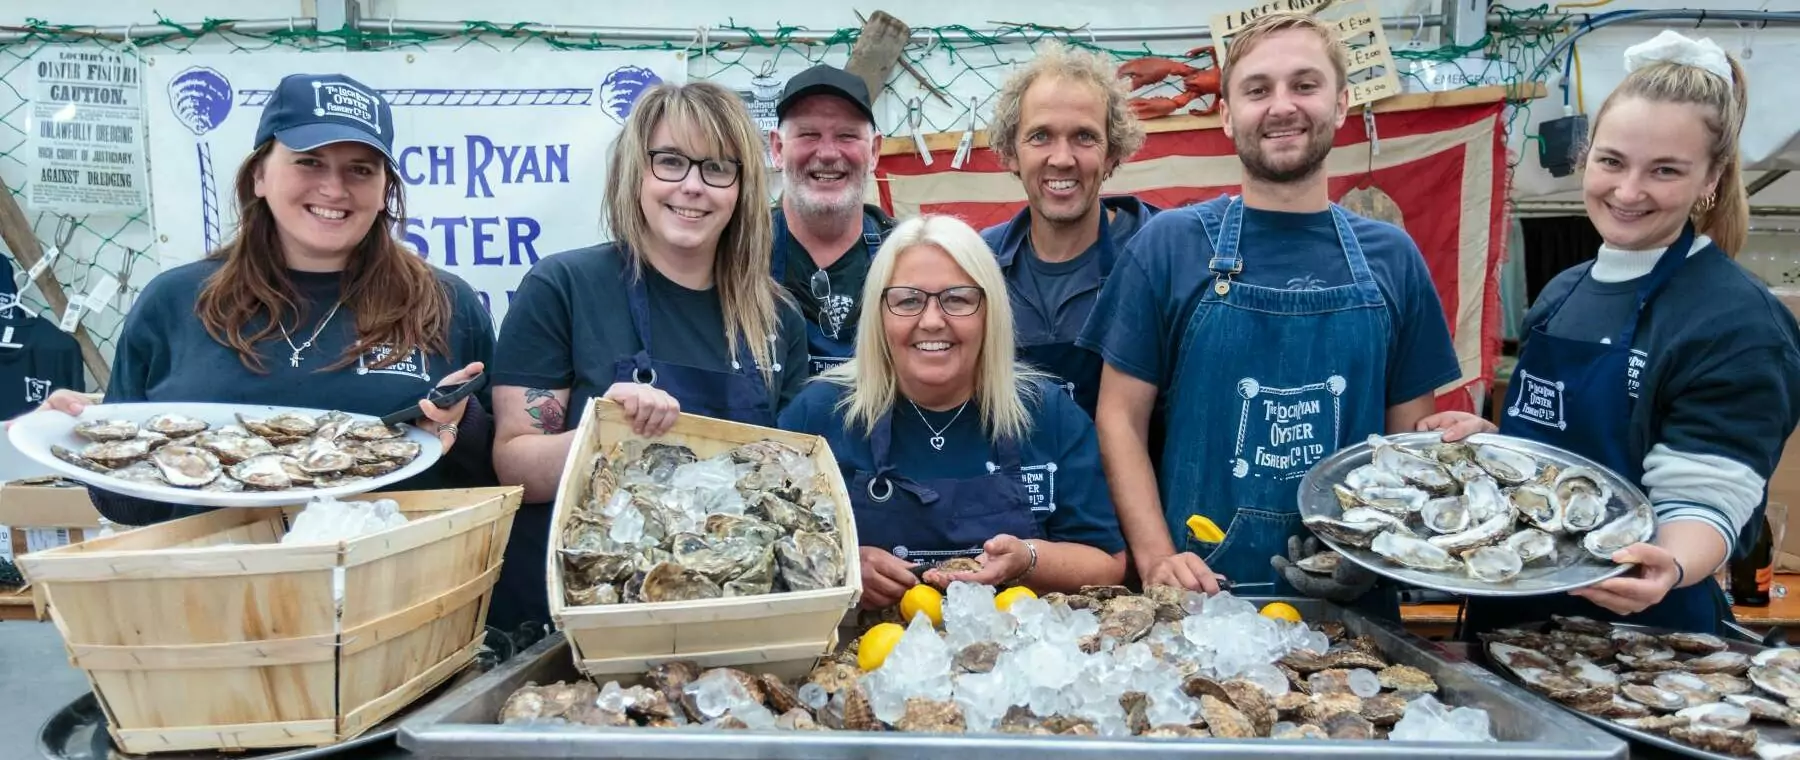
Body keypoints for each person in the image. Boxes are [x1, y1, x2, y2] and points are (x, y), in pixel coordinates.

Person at [1076, 12, 1461, 609]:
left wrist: (1381, 553)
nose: (1282, 106)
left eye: (1305, 85)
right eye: (1258, 90)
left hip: (1354, 607)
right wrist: (1155, 559)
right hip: (1200, 601)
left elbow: (1408, 447)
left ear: (1341, 104)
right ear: (1227, 114)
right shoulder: (1170, 246)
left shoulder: (1395, 258)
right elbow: (1119, 419)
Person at [1421, 30, 1800, 635]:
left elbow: (1708, 494)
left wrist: (1671, 562)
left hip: (1642, 634)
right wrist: (1495, 444)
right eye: (1612, 161)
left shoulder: (1738, 321)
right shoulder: (1563, 292)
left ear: (1712, 177)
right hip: (1507, 618)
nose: (1628, 191)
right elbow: (1560, 461)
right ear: (1586, 155)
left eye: (1665, 170)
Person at [27, 73, 494, 525]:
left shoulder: (445, 303)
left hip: (393, 583)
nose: (334, 188)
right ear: (259, 176)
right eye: (308, 161)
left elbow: (494, 483)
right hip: (215, 589)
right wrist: (79, 438)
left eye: (360, 169)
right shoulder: (173, 302)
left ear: (384, 189)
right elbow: (130, 508)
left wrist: (461, 425)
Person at [490, 81, 808, 634]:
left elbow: (795, 482)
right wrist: (601, 429)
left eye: (717, 168)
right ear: (636, 171)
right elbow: (514, 467)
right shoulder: (563, 287)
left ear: (742, 189)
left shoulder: (777, 320)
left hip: (725, 618)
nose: (692, 187)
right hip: (576, 620)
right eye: (670, 162)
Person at [779, 214, 1126, 609]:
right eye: (907, 300)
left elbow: (1108, 563)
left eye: (957, 299)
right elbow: (774, 549)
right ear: (879, 314)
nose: (931, 321)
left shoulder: (1049, 415)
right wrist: (846, 566)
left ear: (989, 311)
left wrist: (1028, 559)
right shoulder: (819, 416)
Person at [980, 41, 1158, 418]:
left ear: (1112, 154)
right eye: (1040, 135)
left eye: (1084, 136)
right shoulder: (978, 266)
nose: (1062, 159)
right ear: (1011, 152)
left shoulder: (1161, 252)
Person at [769, 64, 896, 377]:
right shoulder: (736, 251)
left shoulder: (907, 254)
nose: (827, 153)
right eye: (809, 134)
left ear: (875, 152)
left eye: (847, 135)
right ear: (777, 149)